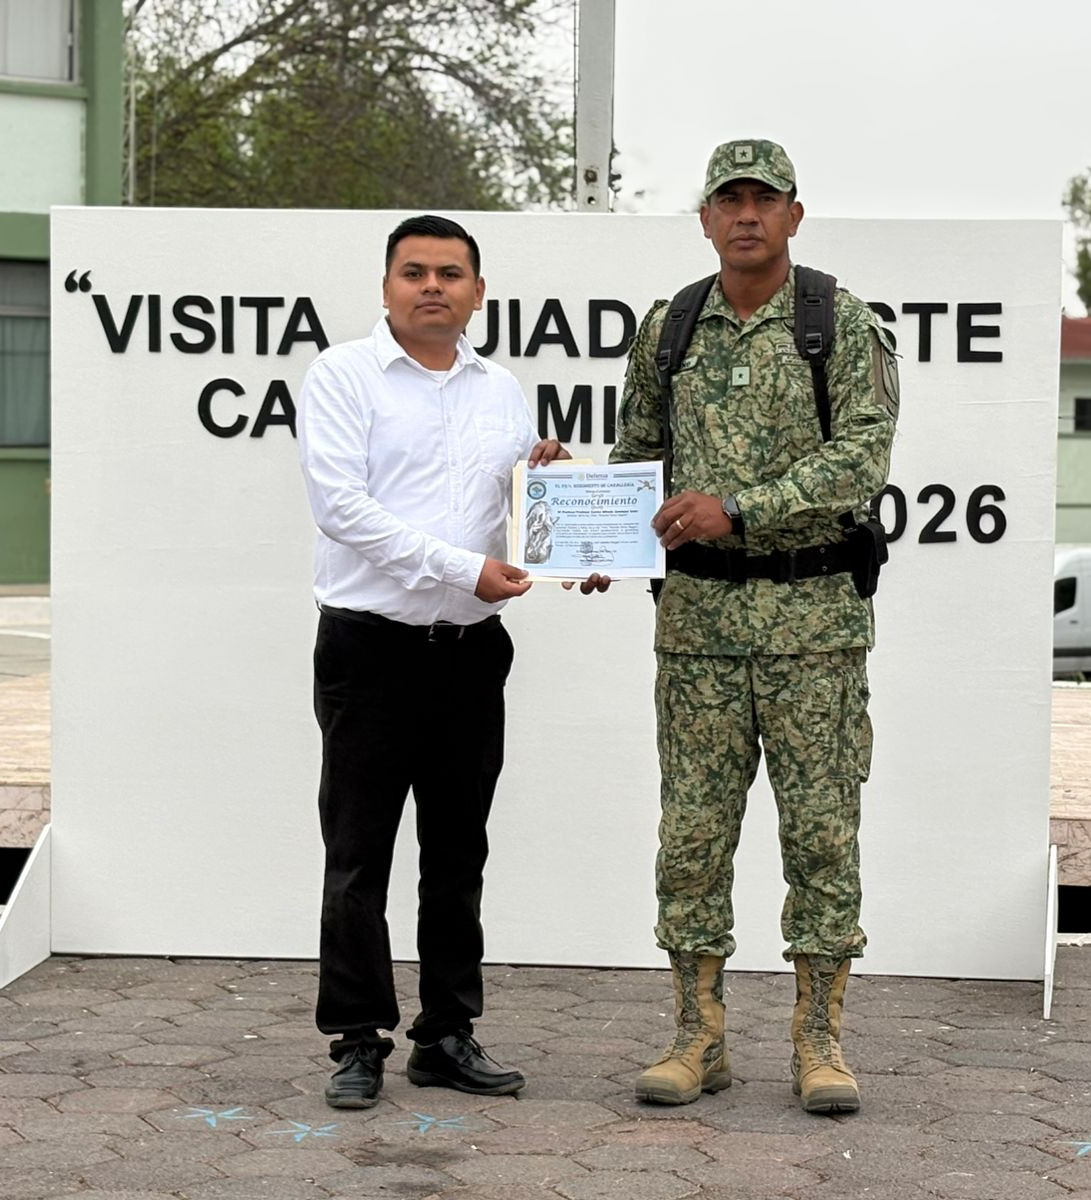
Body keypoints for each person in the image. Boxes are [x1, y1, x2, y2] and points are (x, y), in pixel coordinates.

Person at [584, 139, 899, 1114]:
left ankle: (818, 1040)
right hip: (699, 629)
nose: (747, 215)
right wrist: (587, 531)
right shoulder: (668, 330)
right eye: (730, 199)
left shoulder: (837, 323)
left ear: (794, 216)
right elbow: (637, 459)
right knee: (692, 836)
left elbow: (860, 463)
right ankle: (697, 1035)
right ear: (706, 217)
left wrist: (741, 507)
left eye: (765, 199)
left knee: (820, 836)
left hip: (812, 627)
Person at [296, 214, 568, 1109]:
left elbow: (512, 512)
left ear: (478, 292)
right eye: (413, 271)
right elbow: (343, 508)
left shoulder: (503, 390)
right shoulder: (342, 376)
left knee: (458, 855)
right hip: (369, 650)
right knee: (358, 854)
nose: (432, 287)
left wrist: (554, 496)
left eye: (451, 273)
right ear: (386, 287)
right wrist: (465, 568)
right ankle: (357, 1039)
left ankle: (446, 1034)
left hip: (471, 655)